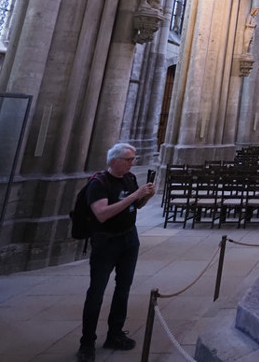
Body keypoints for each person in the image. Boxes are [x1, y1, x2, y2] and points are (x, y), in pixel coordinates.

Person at [77, 143, 156, 362]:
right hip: (106, 242)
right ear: (113, 161)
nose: (132, 163)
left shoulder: (129, 179)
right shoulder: (99, 183)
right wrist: (134, 196)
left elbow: (136, 205)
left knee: (123, 288)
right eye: (128, 159)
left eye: (133, 159)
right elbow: (102, 214)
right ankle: (87, 342)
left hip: (129, 238)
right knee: (96, 292)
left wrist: (146, 196)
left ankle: (115, 334)